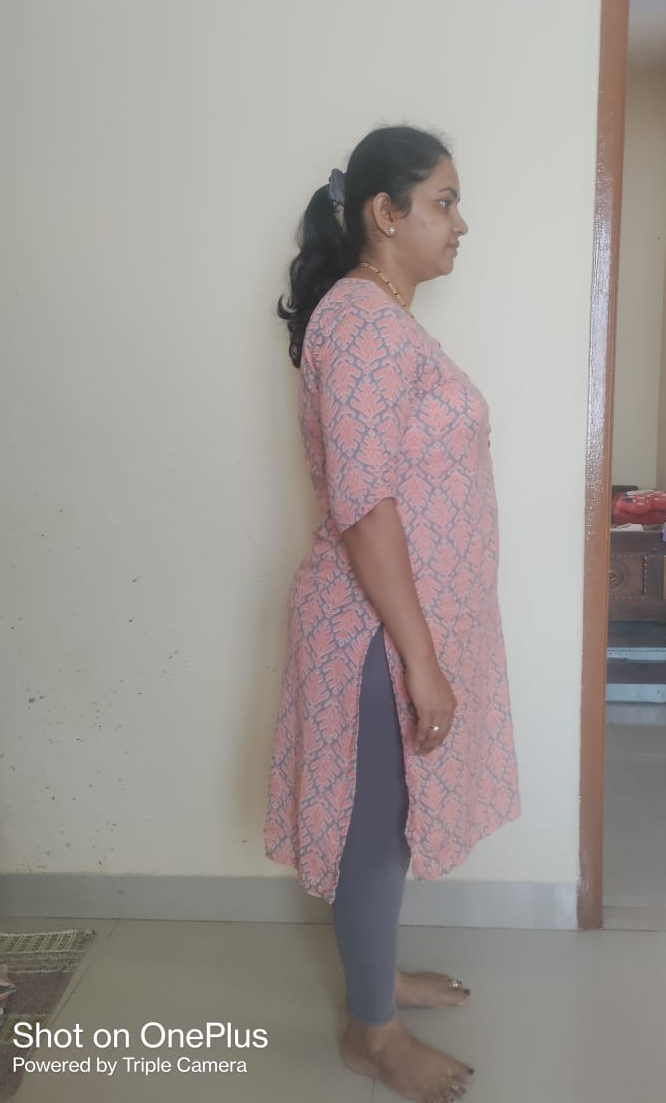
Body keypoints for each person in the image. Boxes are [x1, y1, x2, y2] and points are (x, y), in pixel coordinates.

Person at [264, 125, 521, 1103]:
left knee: (392, 820)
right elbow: (365, 507)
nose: (461, 223)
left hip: (393, 627)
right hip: (374, 632)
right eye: (444, 201)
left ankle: (378, 978)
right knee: (375, 830)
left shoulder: (380, 321)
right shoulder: (363, 323)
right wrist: (420, 659)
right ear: (386, 212)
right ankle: (371, 1035)